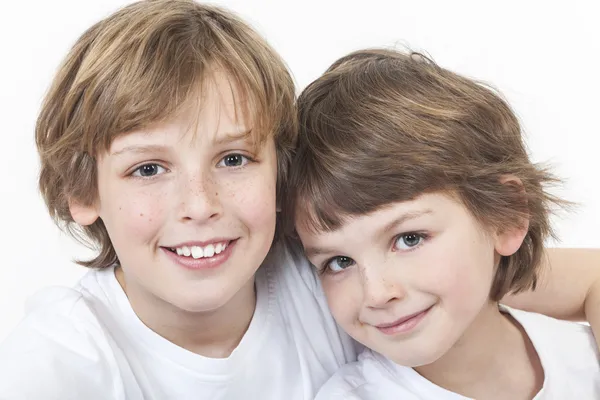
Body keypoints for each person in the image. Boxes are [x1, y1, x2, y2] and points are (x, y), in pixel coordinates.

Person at [0, 1, 598, 399]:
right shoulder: (61, 358)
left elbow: (583, 276)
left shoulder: (332, 273)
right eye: (149, 168)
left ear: (280, 175)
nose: (200, 203)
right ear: (83, 191)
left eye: (233, 159)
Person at [287, 48, 600, 399]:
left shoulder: (586, 357)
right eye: (339, 262)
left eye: (408, 239)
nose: (377, 293)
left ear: (506, 214)